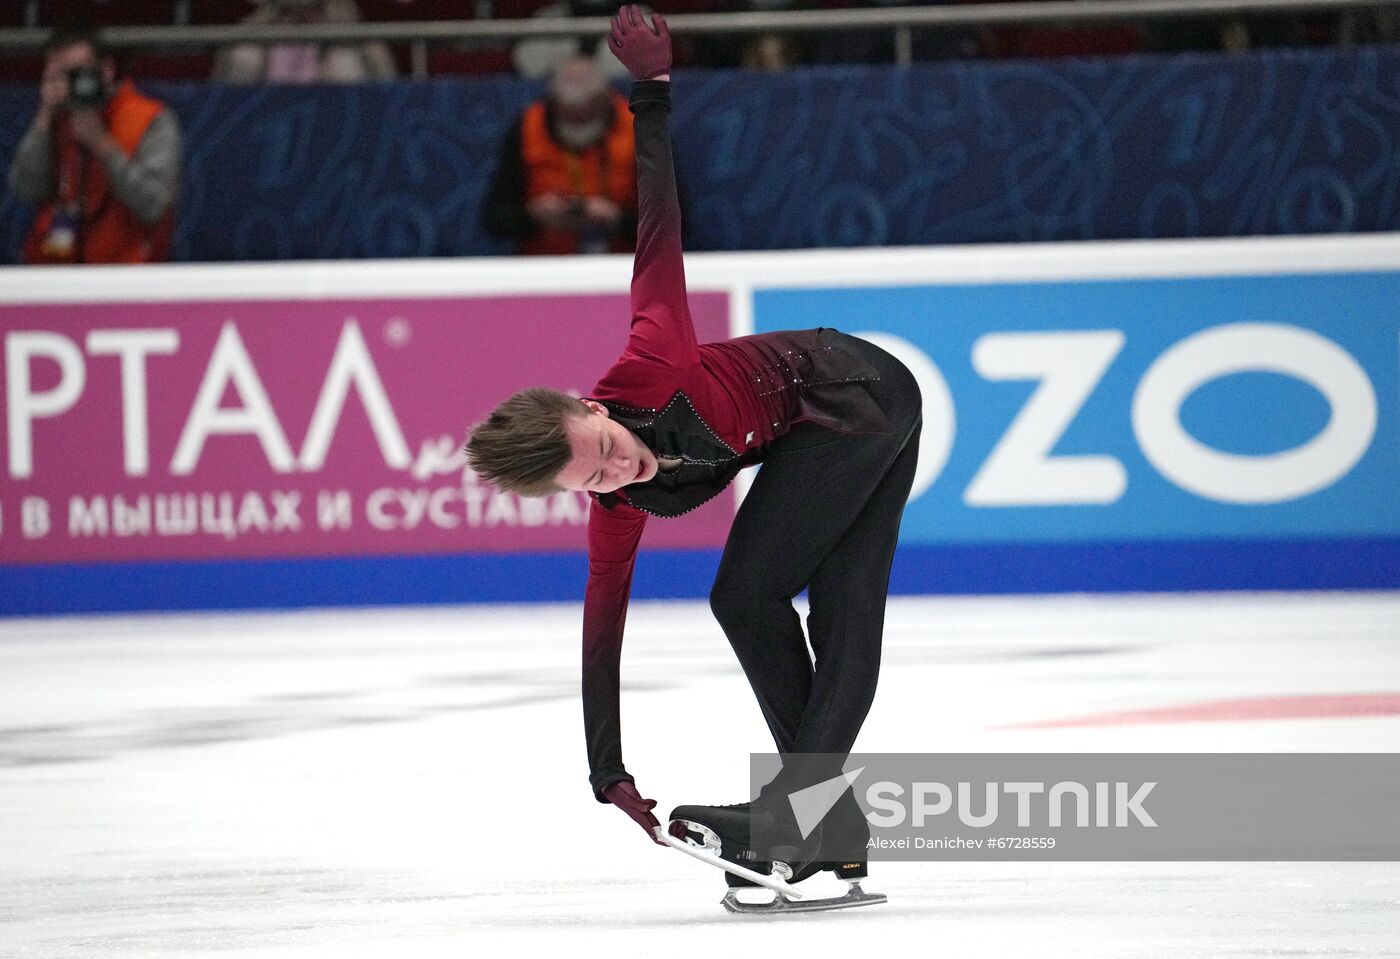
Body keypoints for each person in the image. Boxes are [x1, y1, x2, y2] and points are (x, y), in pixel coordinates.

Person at [465, 6, 921, 904]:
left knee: (746, 592)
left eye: (601, 448)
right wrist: (610, 773)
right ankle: (831, 835)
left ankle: (804, 817)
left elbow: (656, 220)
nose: (616, 472)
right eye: (590, 479)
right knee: (834, 610)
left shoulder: (655, 352)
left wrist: (652, 92)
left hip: (855, 391)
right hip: (828, 429)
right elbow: (602, 636)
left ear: (593, 407)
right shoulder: (616, 510)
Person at [8, 21, 182, 265]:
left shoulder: (150, 119)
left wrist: (102, 143)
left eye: (78, 73)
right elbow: (27, 189)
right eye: (59, 75)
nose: (69, 85)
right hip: (56, 268)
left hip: (125, 274)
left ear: (107, 70)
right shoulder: (55, 119)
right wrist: (44, 116)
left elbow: (153, 204)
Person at [483, 56, 637, 255]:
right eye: (569, 116)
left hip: (624, 266)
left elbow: (675, 225)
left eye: (585, 116)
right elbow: (494, 219)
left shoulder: (640, 127)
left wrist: (617, 219)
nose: (577, 126)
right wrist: (533, 215)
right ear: (553, 100)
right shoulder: (527, 126)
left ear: (605, 99)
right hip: (544, 266)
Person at [212, 0, 396, 85]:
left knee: (345, 63)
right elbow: (222, 102)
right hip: (264, 139)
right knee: (245, 56)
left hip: (338, 132)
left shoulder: (357, 40)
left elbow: (386, 95)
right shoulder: (248, 45)